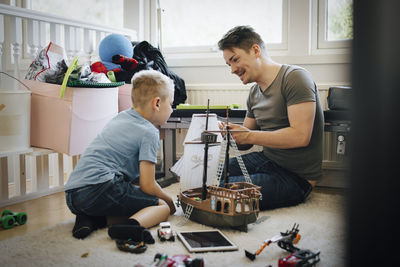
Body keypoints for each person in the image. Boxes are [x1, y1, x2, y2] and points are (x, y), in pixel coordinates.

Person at [217, 26, 324, 210]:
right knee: (212, 173)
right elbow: (245, 143)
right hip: (267, 160)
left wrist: (249, 135)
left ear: (255, 50)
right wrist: (229, 133)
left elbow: (300, 136)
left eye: (235, 60)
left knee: (225, 191)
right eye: (229, 65)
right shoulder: (253, 93)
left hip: (296, 177)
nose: (233, 70)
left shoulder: (295, 78)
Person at [64, 69, 176, 240]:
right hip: (101, 188)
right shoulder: (149, 132)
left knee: (135, 201)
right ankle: (129, 227)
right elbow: (148, 185)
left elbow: (137, 180)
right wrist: (169, 201)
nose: (172, 109)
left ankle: (91, 219)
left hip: (73, 196)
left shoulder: (120, 118)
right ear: (157, 103)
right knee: (161, 207)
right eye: (171, 104)